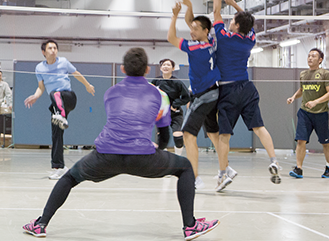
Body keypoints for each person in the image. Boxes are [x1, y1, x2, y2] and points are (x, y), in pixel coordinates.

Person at [22, 48, 219, 240]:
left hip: (105, 155)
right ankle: (190, 226)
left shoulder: (111, 92)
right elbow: (164, 133)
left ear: (123, 70)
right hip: (143, 157)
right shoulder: (160, 96)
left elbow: (120, 120)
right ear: (147, 70)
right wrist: (156, 150)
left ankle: (41, 224)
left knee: (69, 178)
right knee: (184, 168)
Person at [211, 0, 281, 191]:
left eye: (233, 21)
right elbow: (249, 23)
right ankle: (273, 160)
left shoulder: (223, 36)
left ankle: (223, 174)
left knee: (224, 135)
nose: (230, 21)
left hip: (228, 90)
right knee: (259, 127)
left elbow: (215, 12)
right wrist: (233, 3)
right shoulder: (250, 40)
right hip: (247, 88)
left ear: (235, 26)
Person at [167, 0, 221, 190]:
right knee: (214, 135)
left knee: (189, 134)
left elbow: (171, 38)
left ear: (205, 31)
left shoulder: (195, 47)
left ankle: (195, 178)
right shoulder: (212, 42)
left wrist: (174, 16)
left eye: (195, 29)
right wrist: (189, 7)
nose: (191, 30)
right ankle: (225, 170)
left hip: (203, 95)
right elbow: (192, 23)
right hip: (213, 92)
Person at [25, 39, 95, 180]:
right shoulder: (39, 68)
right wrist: (35, 96)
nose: (53, 50)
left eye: (55, 48)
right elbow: (41, 87)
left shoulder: (63, 62)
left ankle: (60, 114)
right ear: (43, 52)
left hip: (68, 98)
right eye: (50, 48)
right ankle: (59, 167)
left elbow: (76, 73)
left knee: (55, 93)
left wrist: (87, 85)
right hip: (56, 103)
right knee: (56, 134)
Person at [286, 48, 329, 179]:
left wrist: (316, 102)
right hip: (304, 113)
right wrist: (293, 97)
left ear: (320, 60)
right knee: (301, 140)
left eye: (313, 56)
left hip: (321, 113)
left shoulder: (325, 74)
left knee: (325, 142)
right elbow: (302, 89)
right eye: (308, 56)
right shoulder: (303, 74)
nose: (310, 58)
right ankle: (298, 169)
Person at [151, 59, 190, 155]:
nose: (165, 66)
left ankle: (178, 157)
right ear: (160, 68)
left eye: (168, 65)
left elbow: (187, 97)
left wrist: (175, 105)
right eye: (164, 65)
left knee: (178, 136)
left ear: (172, 68)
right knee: (162, 137)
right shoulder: (156, 81)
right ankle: (163, 158)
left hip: (175, 113)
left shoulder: (177, 83)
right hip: (161, 114)